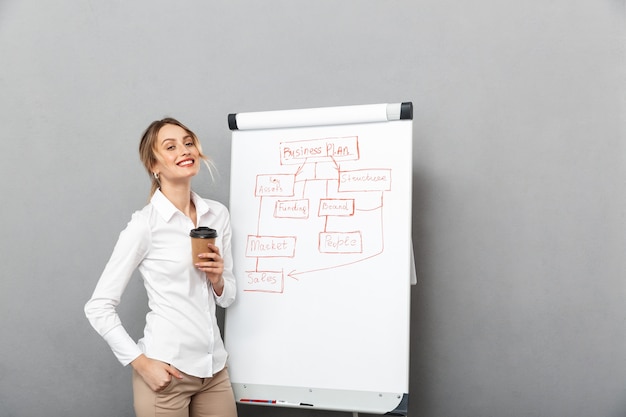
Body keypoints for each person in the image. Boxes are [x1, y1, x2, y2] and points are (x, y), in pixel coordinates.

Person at [85, 117, 238, 417]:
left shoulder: (217, 215)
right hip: (167, 374)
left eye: (188, 142)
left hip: (214, 370)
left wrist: (218, 278)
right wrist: (142, 364)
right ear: (154, 166)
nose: (184, 150)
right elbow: (98, 307)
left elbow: (228, 298)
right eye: (171, 147)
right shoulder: (145, 225)